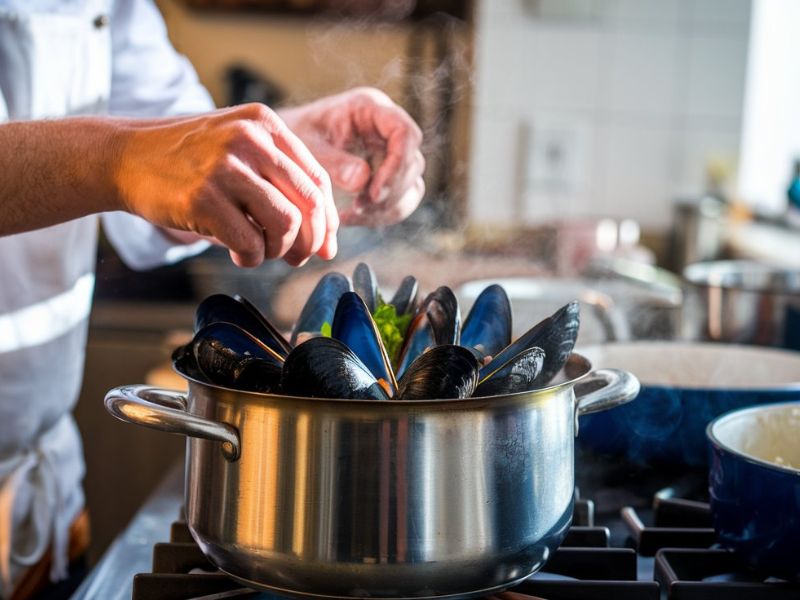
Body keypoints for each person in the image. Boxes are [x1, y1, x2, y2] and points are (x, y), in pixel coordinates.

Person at [0, 1, 425, 597]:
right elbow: (136, 154)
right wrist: (117, 158)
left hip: (39, 502)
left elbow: (171, 153)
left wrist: (283, 147)